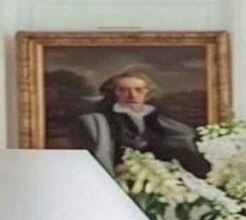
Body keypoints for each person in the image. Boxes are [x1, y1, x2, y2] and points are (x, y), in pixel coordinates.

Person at [71, 71, 210, 177]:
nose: (132, 95)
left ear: (147, 93)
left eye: (138, 89)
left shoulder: (165, 122)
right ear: (114, 93)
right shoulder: (98, 123)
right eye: (123, 90)